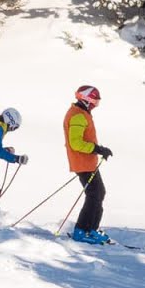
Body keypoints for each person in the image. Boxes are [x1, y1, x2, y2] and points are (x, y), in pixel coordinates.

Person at [64, 84, 113, 244]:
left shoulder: (82, 113)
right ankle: (82, 231)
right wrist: (97, 149)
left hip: (87, 162)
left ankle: (91, 229)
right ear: (86, 99)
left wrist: (98, 150)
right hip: (82, 162)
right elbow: (76, 143)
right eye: (94, 101)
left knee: (99, 193)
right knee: (94, 195)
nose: (95, 105)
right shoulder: (78, 115)